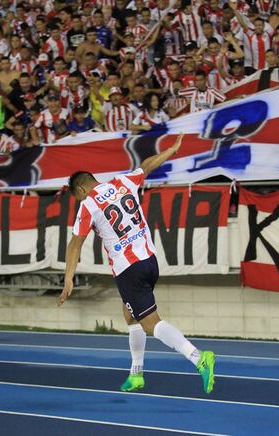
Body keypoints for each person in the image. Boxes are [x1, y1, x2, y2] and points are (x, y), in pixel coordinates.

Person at [58, 133, 216, 395]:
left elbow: (75, 243)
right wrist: (171, 151)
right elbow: (148, 164)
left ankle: (198, 357)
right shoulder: (123, 182)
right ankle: (137, 373)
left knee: (151, 323)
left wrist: (68, 278)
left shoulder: (88, 204)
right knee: (130, 314)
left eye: (77, 197)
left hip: (128, 269)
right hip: (150, 261)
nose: (79, 201)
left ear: (82, 190)